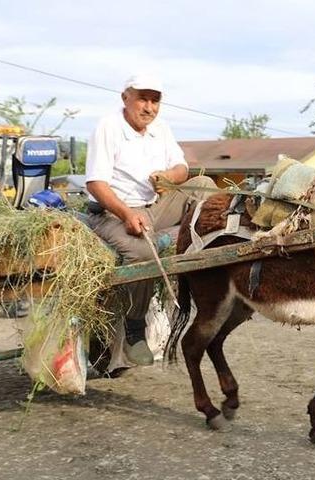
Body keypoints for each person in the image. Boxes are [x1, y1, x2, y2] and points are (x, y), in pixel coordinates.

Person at [85, 73, 215, 368]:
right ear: (125, 98)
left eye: (155, 100)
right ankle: (134, 329)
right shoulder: (109, 126)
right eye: (142, 98)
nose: (149, 107)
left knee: (205, 186)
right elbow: (96, 183)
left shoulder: (161, 128)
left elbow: (182, 168)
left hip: (155, 206)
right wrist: (127, 214)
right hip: (113, 211)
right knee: (143, 252)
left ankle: (206, 271)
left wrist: (169, 178)